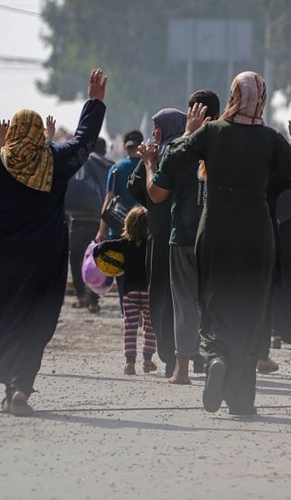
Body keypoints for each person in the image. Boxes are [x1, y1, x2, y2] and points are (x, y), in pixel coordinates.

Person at [0, 67, 106, 416]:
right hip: (42, 257)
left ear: (11, 132)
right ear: (36, 135)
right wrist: (94, 102)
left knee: (2, 315)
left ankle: (9, 378)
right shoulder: (55, 162)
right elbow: (85, 141)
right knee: (35, 317)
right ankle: (20, 385)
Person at [159, 71, 291, 416]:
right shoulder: (271, 140)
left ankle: (216, 357)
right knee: (251, 313)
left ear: (232, 95)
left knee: (213, 304)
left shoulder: (212, 133)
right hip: (256, 237)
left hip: (215, 232)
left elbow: (169, 162)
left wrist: (190, 133)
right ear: (262, 100)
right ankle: (242, 400)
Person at [132, 92, 221, 385]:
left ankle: (181, 369)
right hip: (217, 236)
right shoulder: (228, 144)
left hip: (181, 236)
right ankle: (216, 360)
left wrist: (149, 163)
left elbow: (155, 194)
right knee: (214, 301)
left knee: (183, 303)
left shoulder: (179, 150)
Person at [128, 108, 186, 379]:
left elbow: (137, 189)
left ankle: (170, 355)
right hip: (185, 236)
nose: (153, 133)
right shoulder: (189, 150)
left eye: (156, 127)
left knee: (162, 298)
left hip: (162, 237)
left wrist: (146, 160)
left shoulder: (165, 155)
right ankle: (188, 356)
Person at [94, 205, 156, 375]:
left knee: (130, 327)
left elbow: (100, 247)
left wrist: (99, 259)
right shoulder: (152, 244)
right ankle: (148, 360)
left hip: (129, 292)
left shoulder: (123, 244)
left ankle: (130, 363)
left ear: (127, 226)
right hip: (148, 292)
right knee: (150, 327)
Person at [95, 129, 144, 315]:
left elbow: (108, 201)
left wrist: (101, 230)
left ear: (124, 146)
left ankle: (127, 311)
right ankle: (144, 310)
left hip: (119, 229)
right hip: (145, 228)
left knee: (122, 272)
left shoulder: (116, 168)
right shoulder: (149, 166)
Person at [64, 137, 113, 312]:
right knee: (99, 260)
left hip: (78, 219)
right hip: (99, 221)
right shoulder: (110, 166)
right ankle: (94, 299)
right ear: (105, 150)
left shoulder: (81, 163)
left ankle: (80, 296)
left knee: (76, 257)